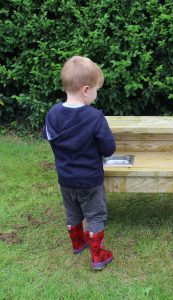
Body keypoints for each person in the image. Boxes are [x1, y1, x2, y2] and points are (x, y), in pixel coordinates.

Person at [43, 56, 116, 270]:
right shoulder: (94, 117)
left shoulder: (53, 113)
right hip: (90, 180)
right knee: (95, 215)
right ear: (86, 90)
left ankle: (77, 243)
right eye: (96, 90)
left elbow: (48, 137)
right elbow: (108, 148)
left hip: (65, 178)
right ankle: (98, 256)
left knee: (73, 212)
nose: (96, 94)